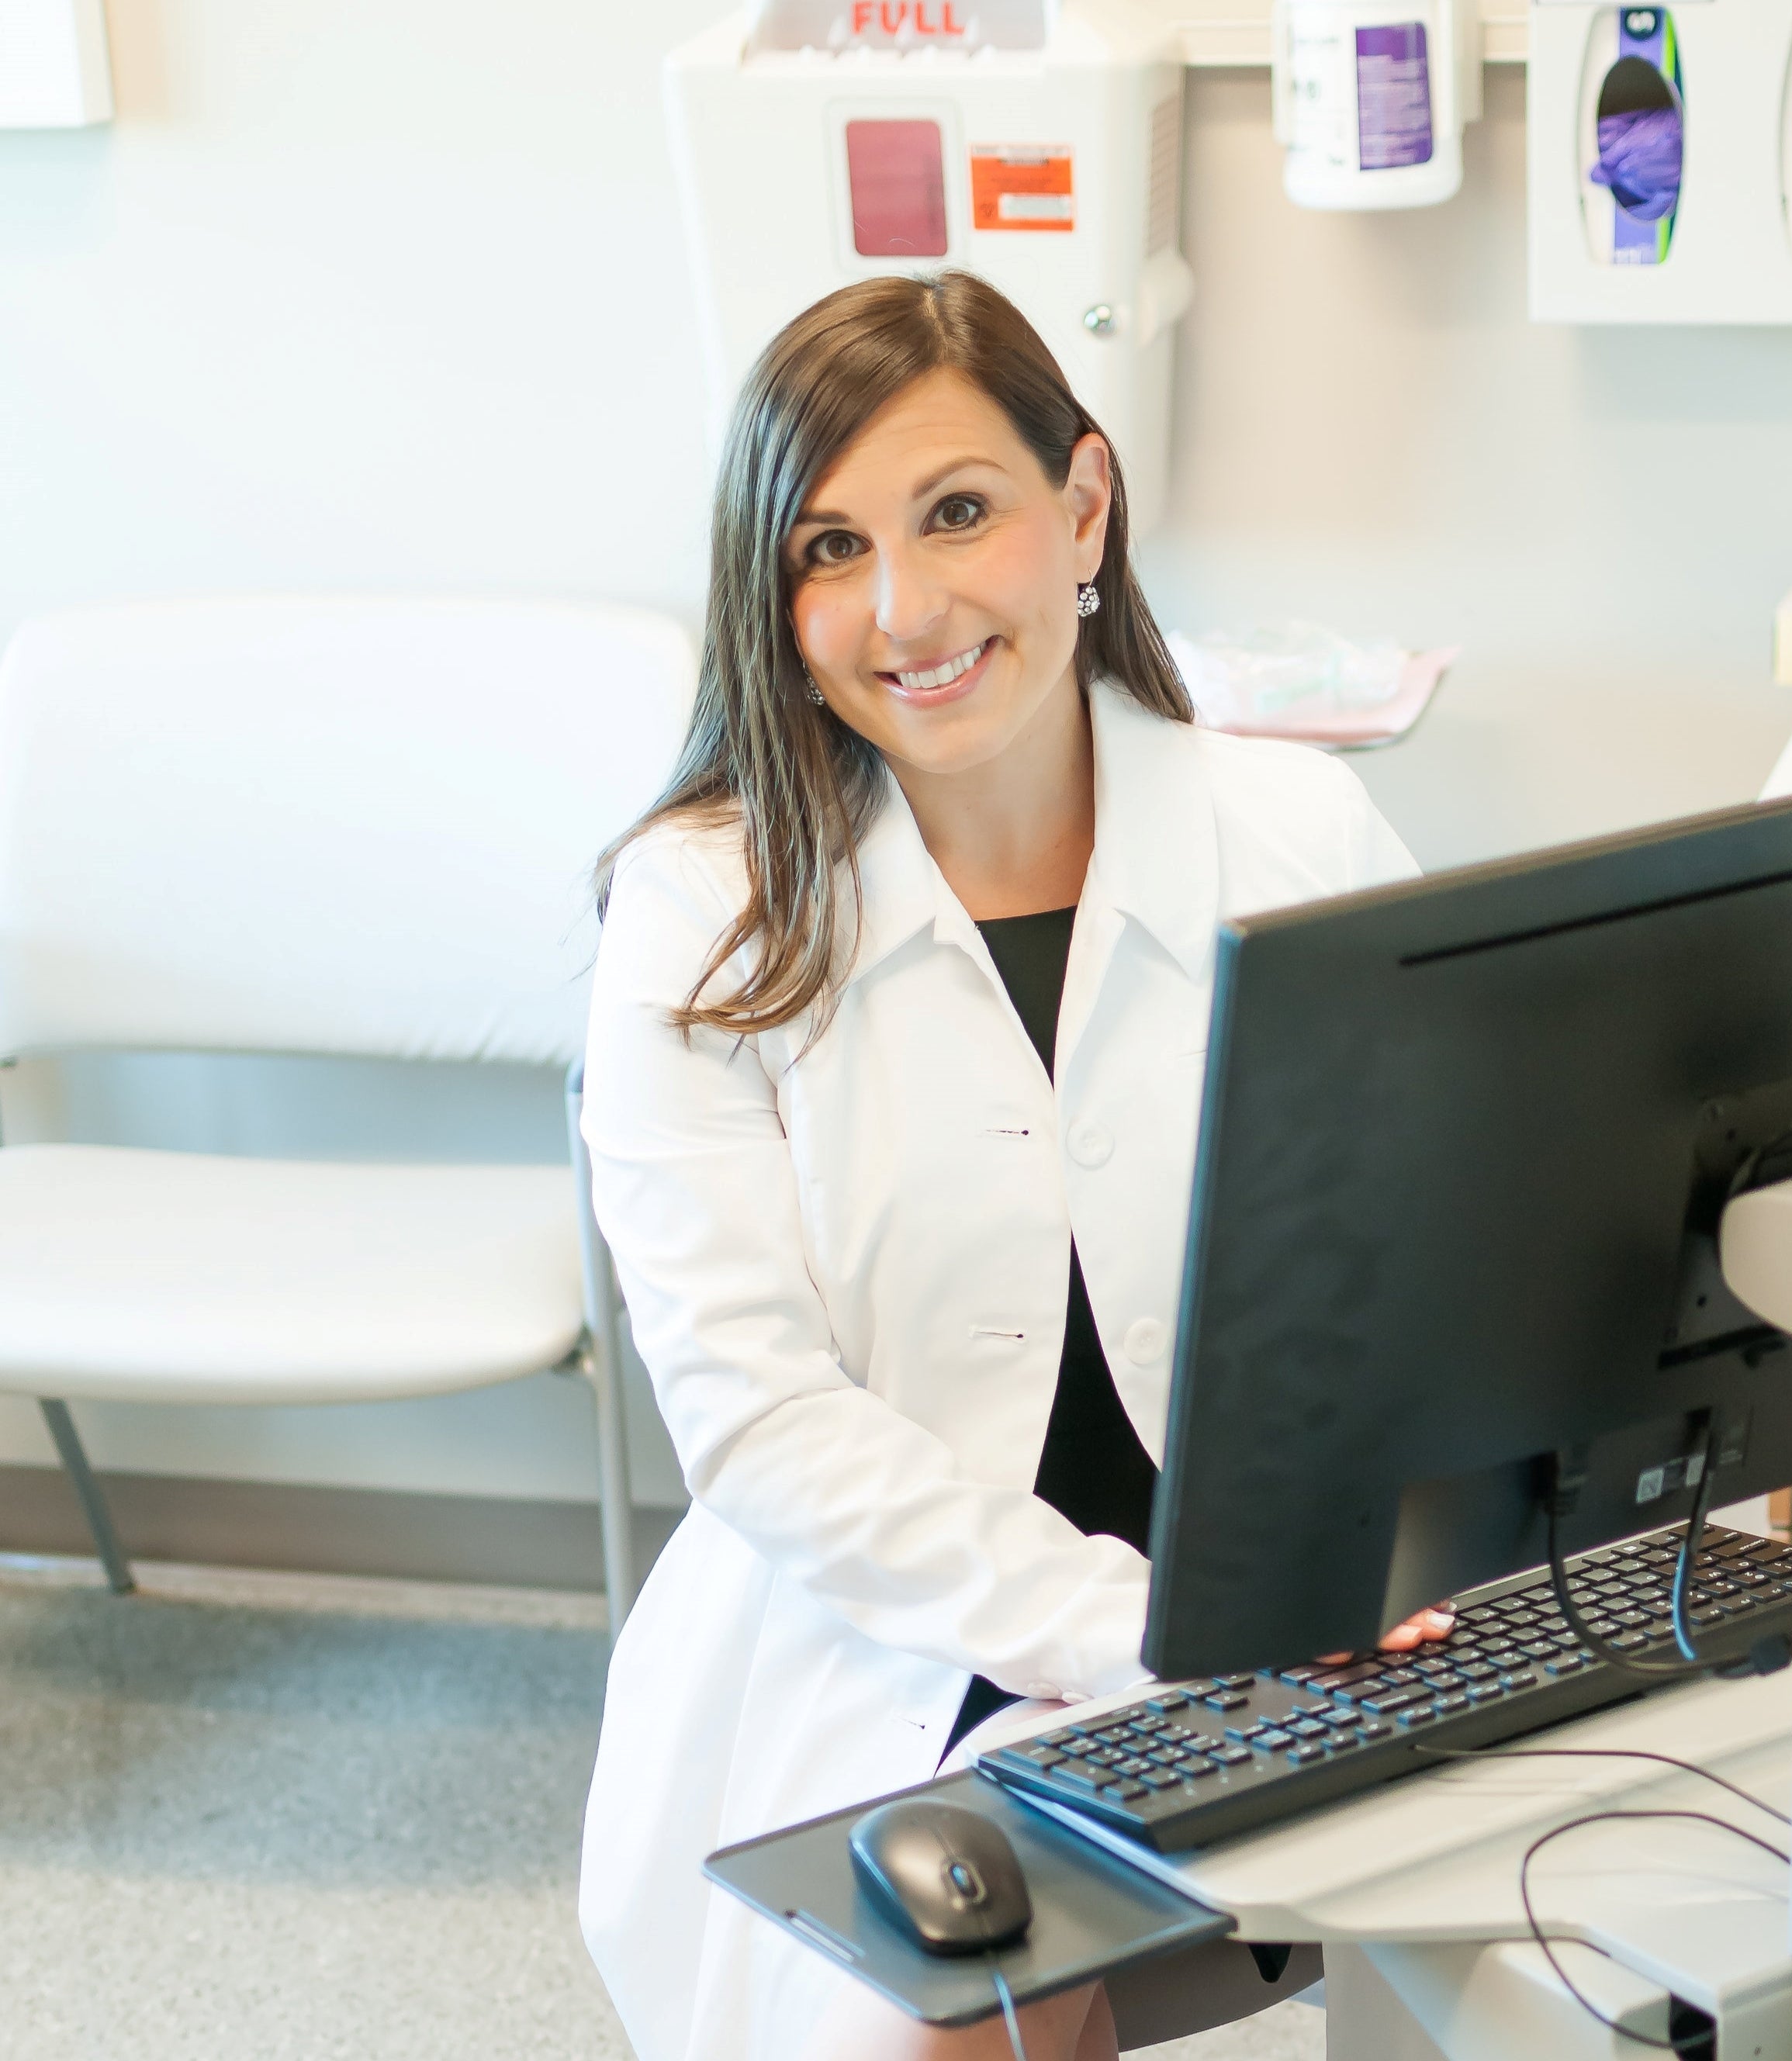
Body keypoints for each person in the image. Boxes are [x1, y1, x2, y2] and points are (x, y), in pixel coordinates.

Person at [576, 271, 1441, 2061]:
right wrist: (1151, 1636)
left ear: (1086, 509)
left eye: (959, 512)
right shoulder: (702, 915)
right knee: (960, 1991)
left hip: (1306, 1606)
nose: (906, 608)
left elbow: (1444, 1267)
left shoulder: (1299, 833)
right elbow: (760, 1422)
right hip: (902, 1640)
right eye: (830, 550)